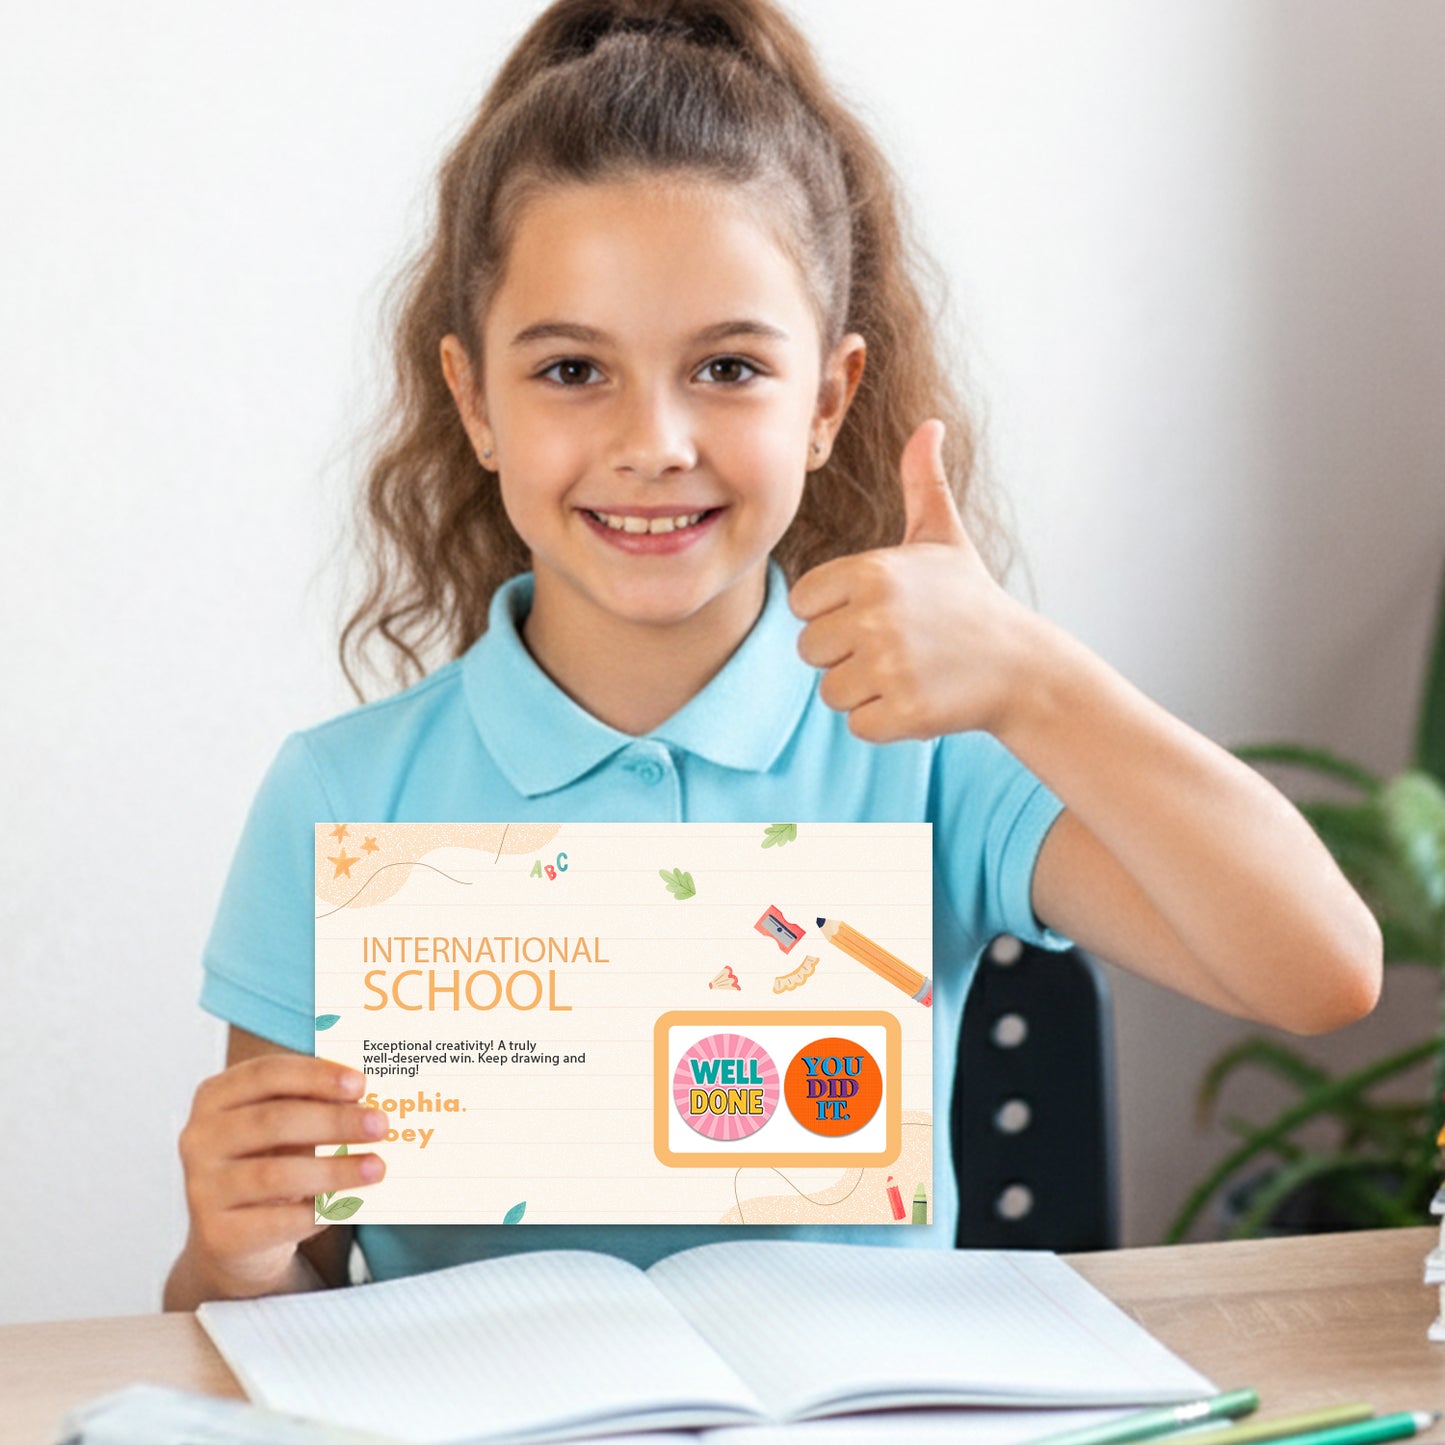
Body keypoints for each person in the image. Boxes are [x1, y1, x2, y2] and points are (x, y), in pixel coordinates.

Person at [163, 0, 1382, 1311]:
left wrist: (1034, 678)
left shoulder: (927, 762)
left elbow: (1319, 970)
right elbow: (262, 1315)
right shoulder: (341, 801)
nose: (655, 441)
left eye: (728, 367)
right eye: (573, 368)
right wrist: (235, 1253)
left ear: (828, 398)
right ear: (474, 402)